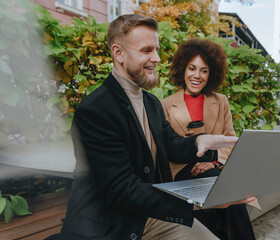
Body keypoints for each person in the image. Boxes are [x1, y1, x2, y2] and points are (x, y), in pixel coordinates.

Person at [46, 14, 255, 240]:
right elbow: (122, 190)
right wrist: (200, 200)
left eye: (157, 49)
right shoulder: (95, 111)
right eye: (146, 50)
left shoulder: (151, 103)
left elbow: (171, 144)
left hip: (150, 215)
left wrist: (199, 141)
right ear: (118, 53)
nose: (156, 58)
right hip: (112, 225)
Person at [161, 38, 256, 240]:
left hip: (213, 168)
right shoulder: (166, 105)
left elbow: (230, 140)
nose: (197, 75)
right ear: (182, 69)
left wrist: (213, 160)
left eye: (204, 70)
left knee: (229, 193)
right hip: (182, 171)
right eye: (192, 68)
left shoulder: (221, 101)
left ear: (211, 73)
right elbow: (165, 148)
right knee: (223, 191)